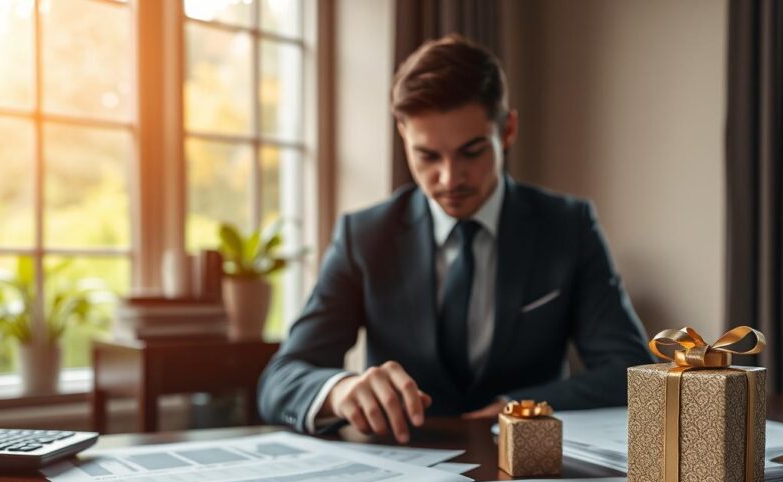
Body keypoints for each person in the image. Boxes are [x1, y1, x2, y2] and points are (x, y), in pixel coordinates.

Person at [258, 34, 651, 443]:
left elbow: (630, 373)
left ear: (508, 130)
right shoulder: (364, 236)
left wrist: (523, 408)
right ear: (402, 136)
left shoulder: (568, 226)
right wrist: (340, 391)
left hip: (531, 468)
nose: (449, 179)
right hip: (404, 467)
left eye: (472, 151)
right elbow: (280, 379)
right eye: (427, 156)